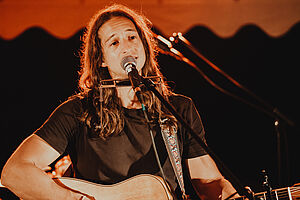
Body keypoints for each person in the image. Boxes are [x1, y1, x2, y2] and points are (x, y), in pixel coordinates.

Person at [1, 4, 240, 200]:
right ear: (101, 59)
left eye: (132, 37)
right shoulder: (77, 112)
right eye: (114, 42)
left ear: (145, 46)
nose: (127, 46)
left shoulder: (177, 109)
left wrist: (231, 196)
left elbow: (209, 181)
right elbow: (14, 172)